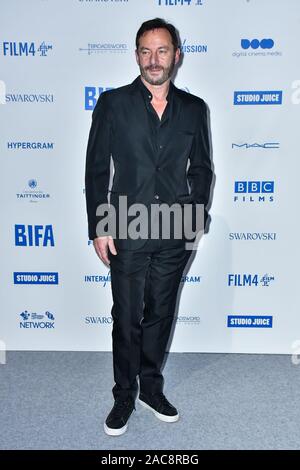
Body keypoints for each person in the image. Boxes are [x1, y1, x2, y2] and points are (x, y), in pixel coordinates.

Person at [85, 18, 213, 436]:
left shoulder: (194, 109)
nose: (154, 59)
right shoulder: (113, 103)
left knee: (160, 313)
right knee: (126, 317)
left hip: (175, 229)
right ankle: (124, 394)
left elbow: (202, 171)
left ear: (177, 55)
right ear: (136, 54)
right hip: (125, 224)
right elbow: (96, 170)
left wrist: (192, 219)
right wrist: (100, 226)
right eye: (146, 50)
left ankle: (150, 388)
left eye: (162, 51)